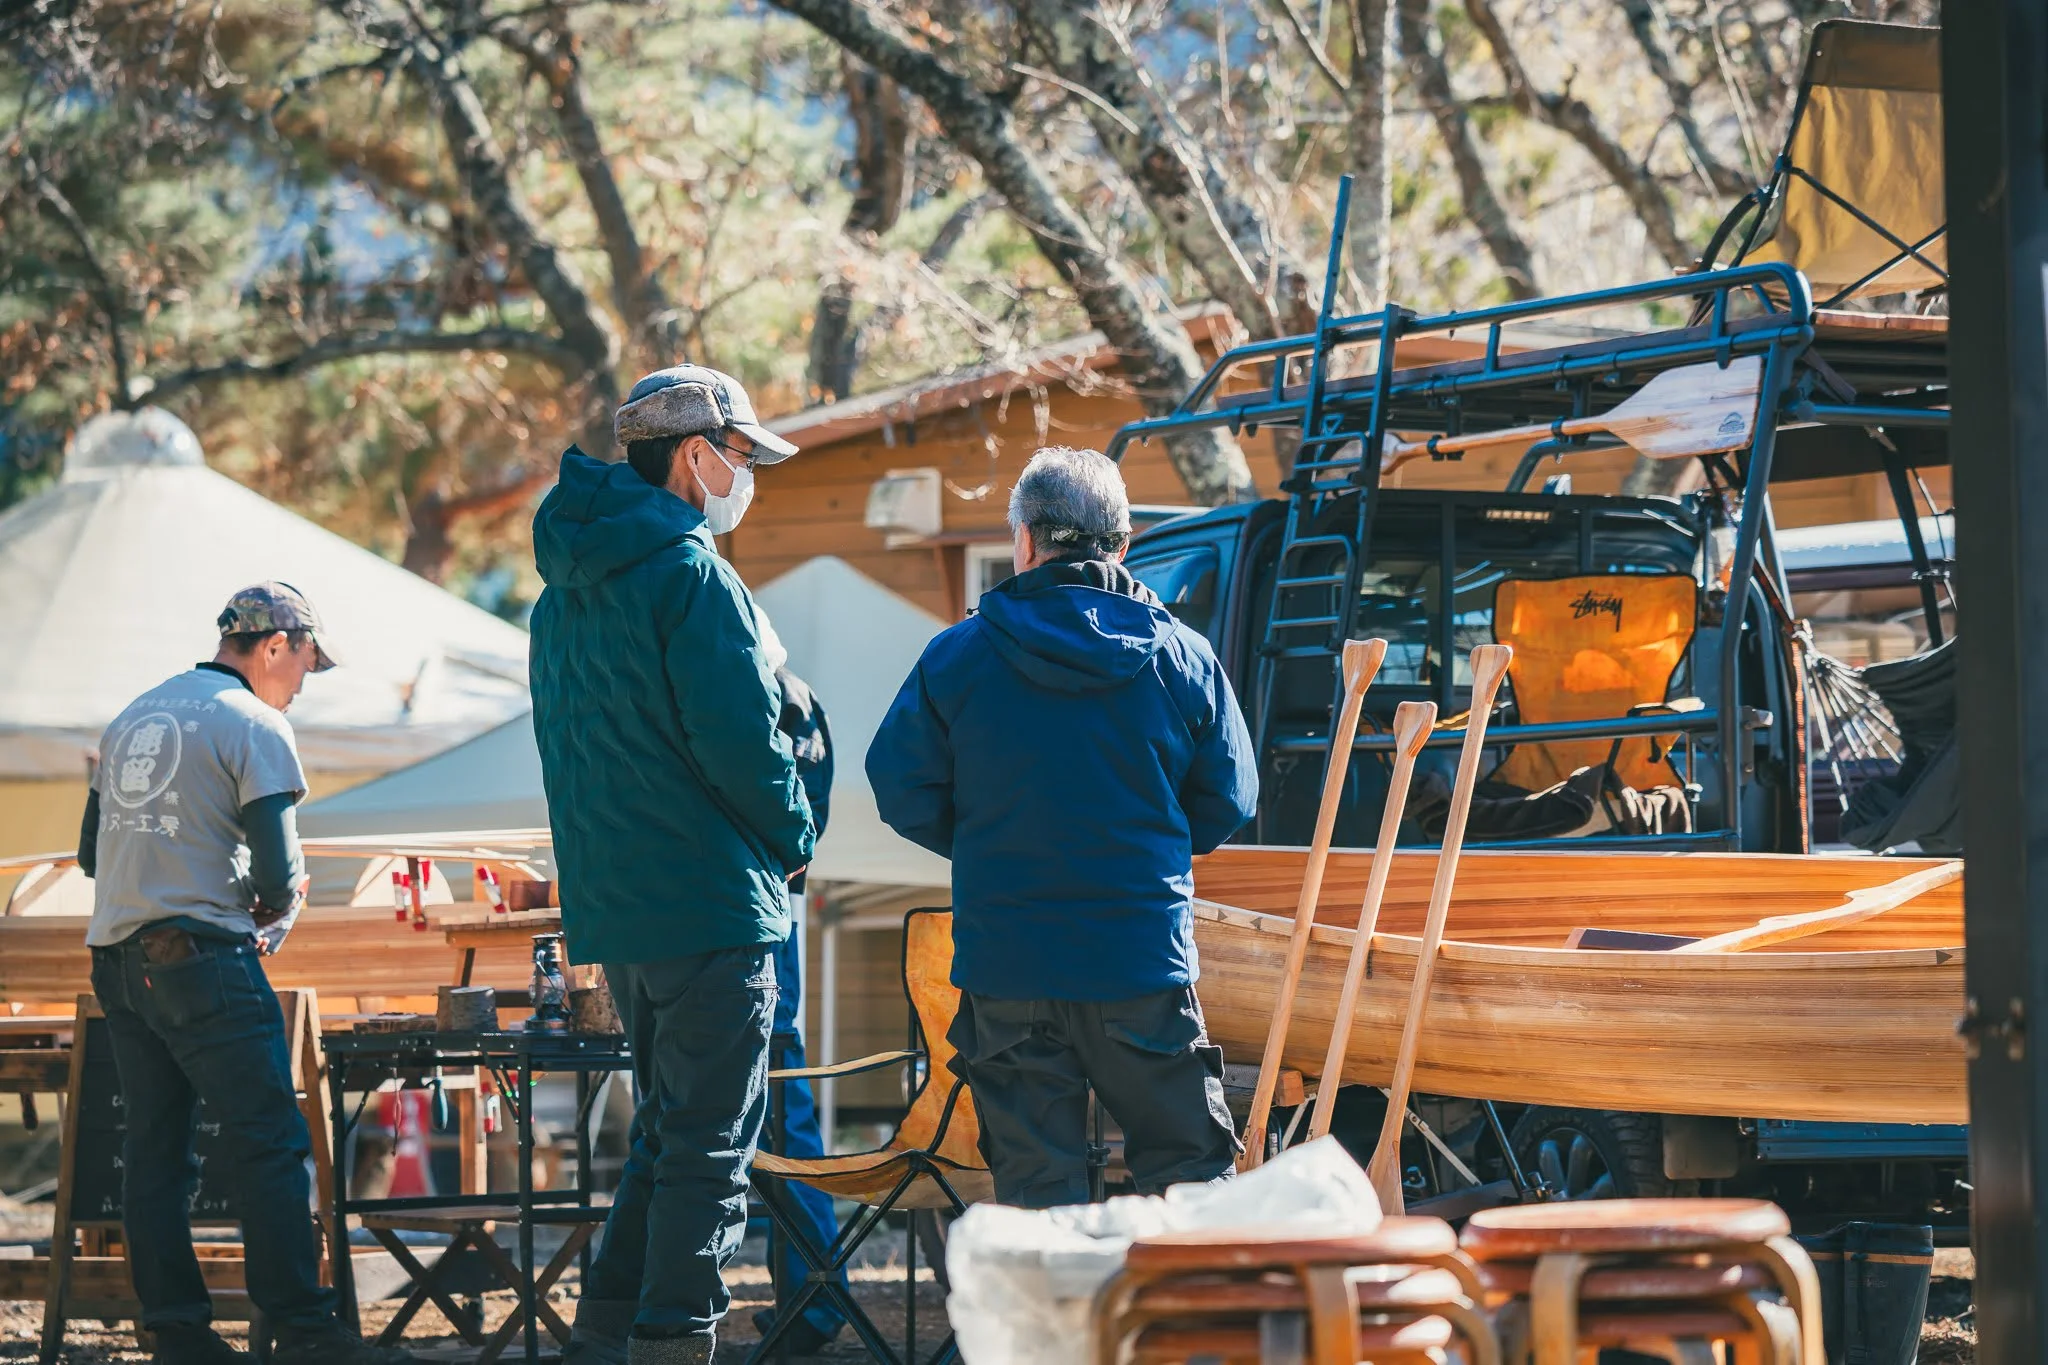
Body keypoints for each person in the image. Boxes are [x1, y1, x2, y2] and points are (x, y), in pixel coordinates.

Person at [867, 446, 1260, 1209]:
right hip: (1141, 956)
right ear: (1124, 543)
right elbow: (1231, 798)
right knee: (1191, 1178)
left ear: (1023, 540)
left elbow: (901, 786)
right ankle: (1186, 1330)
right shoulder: (1183, 658)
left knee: (1037, 1191)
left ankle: (1055, 1330)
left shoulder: (957, 657)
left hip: (1009, 960)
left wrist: (989, 842)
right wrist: (1154, 844)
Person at [530, 365, 815, 1365]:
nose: (748, 476)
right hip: (712, 905)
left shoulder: (559, 595)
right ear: (693, 457)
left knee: (661, 1140)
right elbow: (741, 742)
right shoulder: (693, 577)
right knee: (707, 1154)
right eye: (741, 456)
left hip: (621, 914)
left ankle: (602, 1343)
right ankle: (670, 1344)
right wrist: (796, 840)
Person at [77, 583, 410, 1365]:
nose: (303, 683)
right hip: (202, 958)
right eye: (305, 664)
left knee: (155, 1148)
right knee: (268, 1139)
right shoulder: (256, 723)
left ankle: (178, 1334)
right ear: (274, 645)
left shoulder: (132, 716)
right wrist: (260, 908)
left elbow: (94, 856)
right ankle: (302, 1331)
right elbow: (280, 870)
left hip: (119, 962)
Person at [748, 622, 849, 1354]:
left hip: (750, 917)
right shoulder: (800, 700)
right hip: (773, 908)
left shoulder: (758, 698)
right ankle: (810, 1295)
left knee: (783, 1109)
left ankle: (814, 1302)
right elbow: (804, 830)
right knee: (789, 1107)